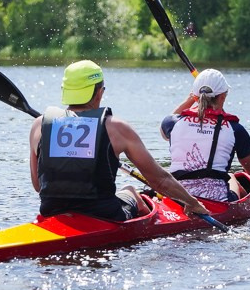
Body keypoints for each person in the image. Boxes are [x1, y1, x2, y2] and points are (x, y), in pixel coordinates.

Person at [30, 60, 215, 222]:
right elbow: (160, 181)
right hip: (104, 215)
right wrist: (192, 202)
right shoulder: (116, 128)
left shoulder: (38, 126)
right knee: (131, 191)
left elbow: (39, 186)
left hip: (51, 211)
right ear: (99, 92)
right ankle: (150, 223)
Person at [162, 68, 250, 205]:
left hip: (177, 197)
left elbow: (166, 130)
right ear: (223, 96)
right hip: (216, 201)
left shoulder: (173, 123)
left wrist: (190, 99)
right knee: (231, 176)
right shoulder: (235, 129)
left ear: (195, 97)